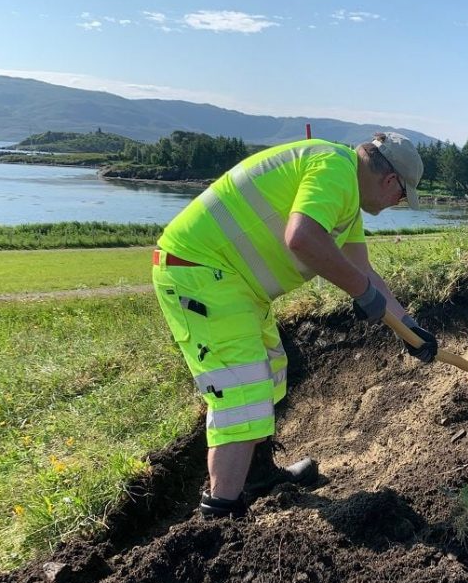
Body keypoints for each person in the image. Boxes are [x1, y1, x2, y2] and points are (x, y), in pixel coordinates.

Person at [151, 132, 439, 519]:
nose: (396, 205)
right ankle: (220, 515)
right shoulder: (334, 169)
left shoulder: (346, 196)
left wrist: (407, 326)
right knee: (242, 394)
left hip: (236, 285)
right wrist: (359, 292)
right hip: (201, 274)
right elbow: (302, 238)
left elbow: (364, 272)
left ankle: (257, 475)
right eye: (402, 197)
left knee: (269, 371)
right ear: (390, 181)